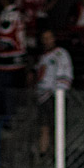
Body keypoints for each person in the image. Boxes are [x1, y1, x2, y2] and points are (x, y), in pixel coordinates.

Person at [34, 29, 72, 157]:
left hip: (54, 96)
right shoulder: (43, 57)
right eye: (44, 38)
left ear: (54, 39)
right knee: (43, 127)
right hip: (42, 97)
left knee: (56, 126)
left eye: (49, 38)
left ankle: (58, 154)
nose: (46, 41)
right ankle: (43, 153)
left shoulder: (60, 54)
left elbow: (65, 74)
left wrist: (59, 94)